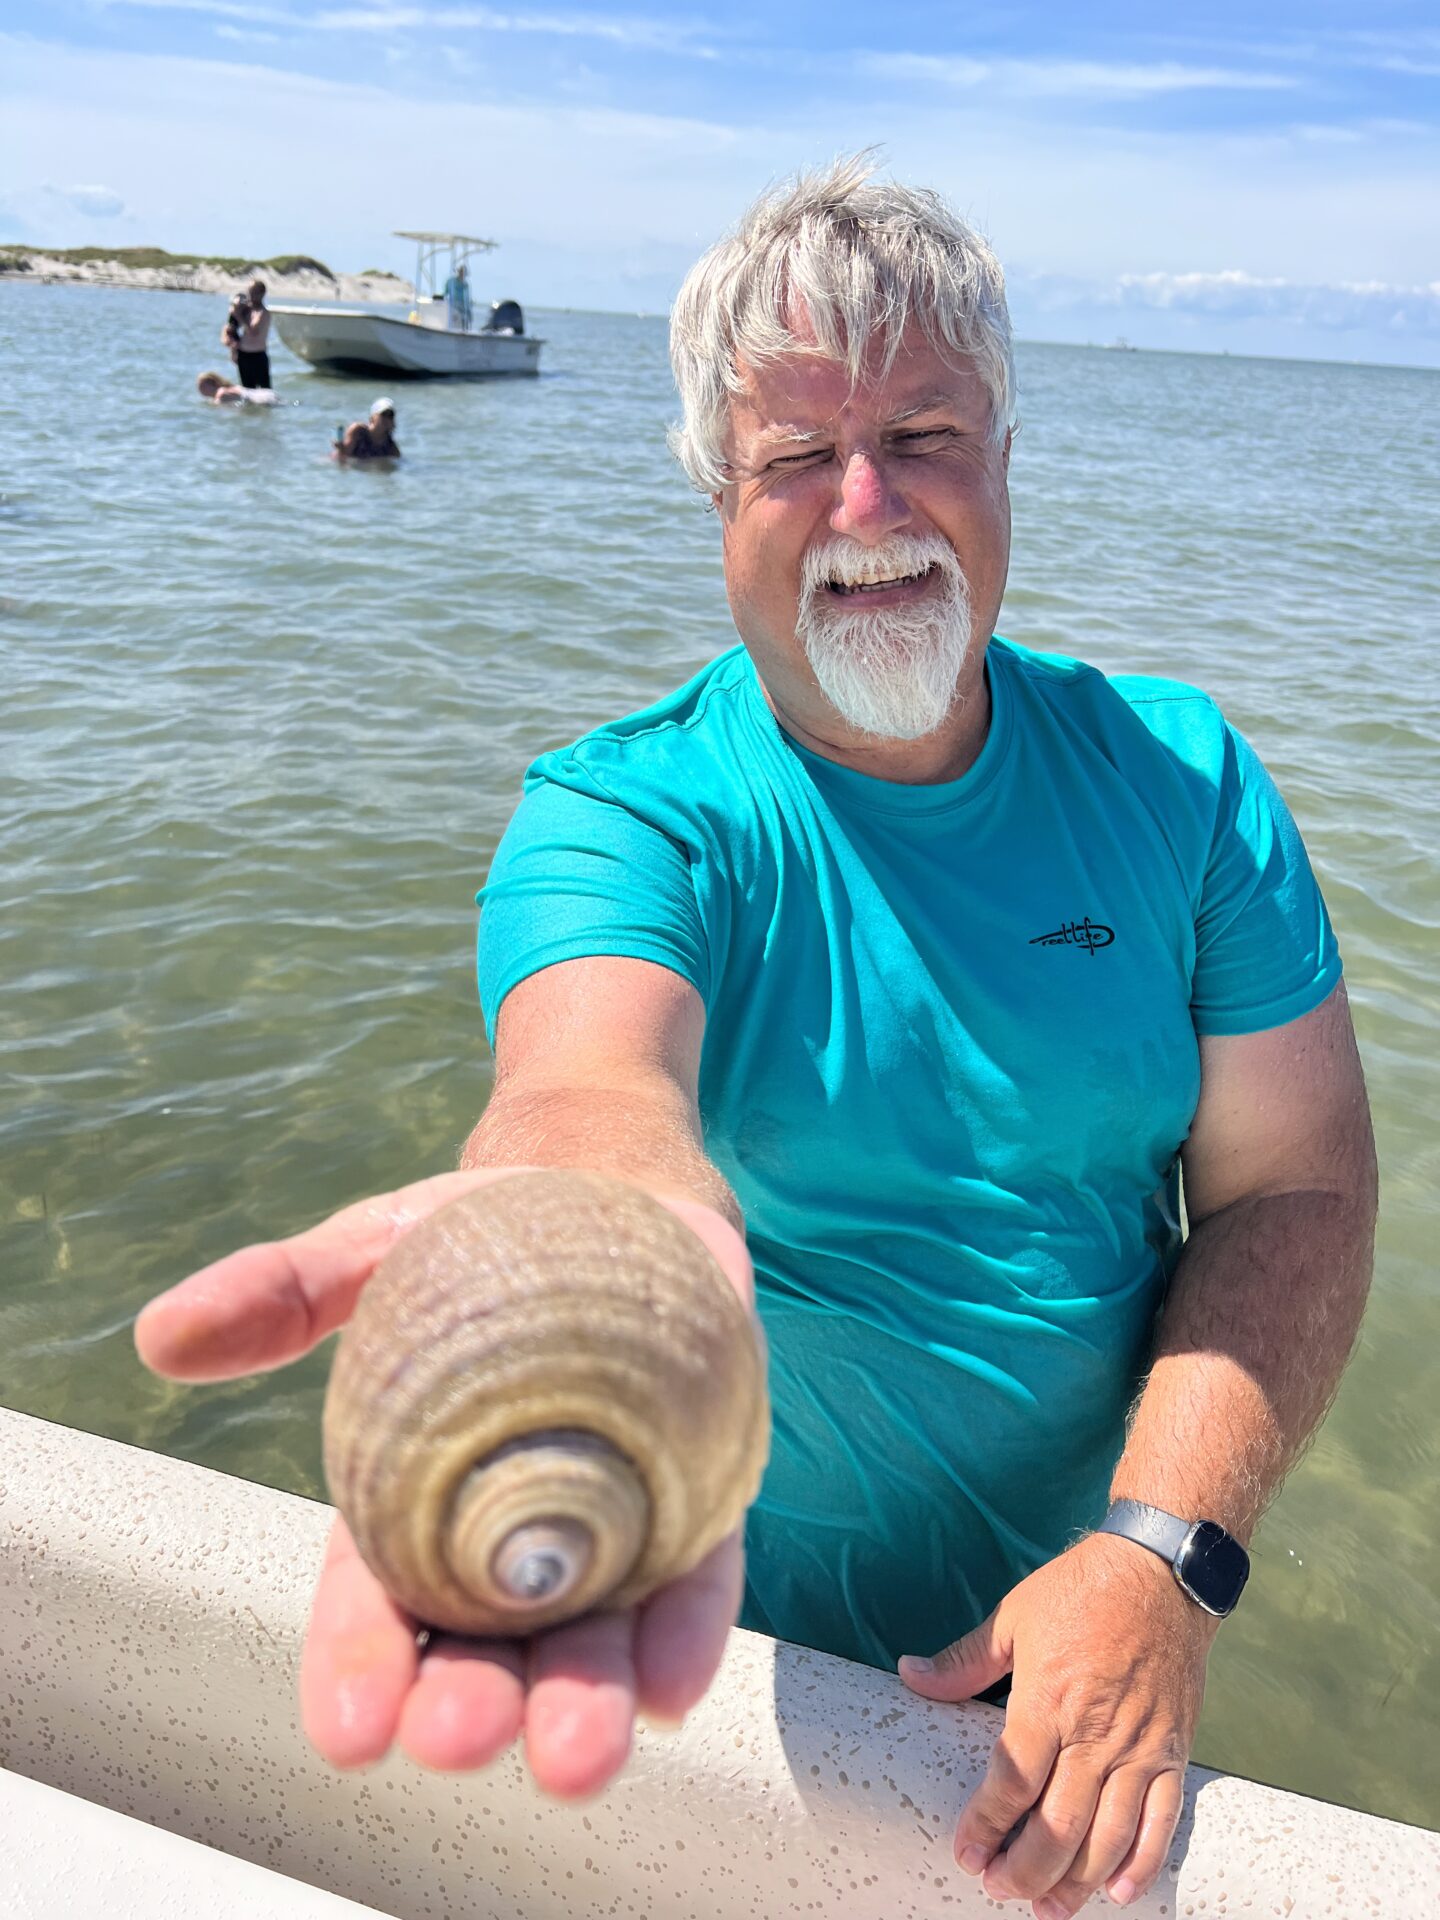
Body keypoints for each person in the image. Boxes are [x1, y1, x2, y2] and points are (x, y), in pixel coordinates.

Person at [137, 156, 1376, 1917]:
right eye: (796, 455)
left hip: (1098, 1636)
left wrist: (1164, 1559)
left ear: (1009, 456)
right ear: (716, 497)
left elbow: (1297, 1190)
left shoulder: (1180, 782)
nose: (866, 503)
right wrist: (589, 1242)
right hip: (719, 1668)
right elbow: (587, 1085)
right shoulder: (627, 820)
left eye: (925, 433)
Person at [230, 278, 272, 390]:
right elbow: (231, 328)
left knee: (265, 391)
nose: (251, 295)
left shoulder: (262, 312)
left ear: (261, 294)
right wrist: (233, 350)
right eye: (249, 292)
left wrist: (238, 315)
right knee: (247, 390)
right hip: (243, 355)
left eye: (254, 292)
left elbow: (253, 331)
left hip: (258, 356)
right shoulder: (246, 310)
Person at [334, 398, 400, 460]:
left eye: (390, 415)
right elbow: (345, 456)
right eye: (384, 414)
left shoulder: (390, 445)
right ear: (372, 418)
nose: (386, 419)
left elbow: (399, 461)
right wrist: (340, 448)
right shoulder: (358, 431)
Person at [196, 369, 276, 405]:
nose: (200, 390)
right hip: (267, 394)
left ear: (214, 383)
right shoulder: (230, 387)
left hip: (264, 401)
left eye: (202, 386)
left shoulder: (221, 393)